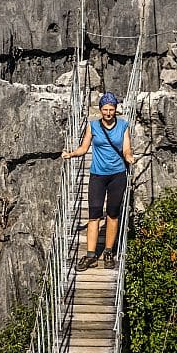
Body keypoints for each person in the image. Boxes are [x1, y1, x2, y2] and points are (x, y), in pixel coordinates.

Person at [61, 92, 135, 271]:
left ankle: (108, 252)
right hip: (97, 176)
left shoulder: (123, 125)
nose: (108, 113)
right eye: (105, 109)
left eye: (111, 109)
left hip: (117, 175)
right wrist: (71, 154)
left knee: (112, 214)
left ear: (116, 110)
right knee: (94, 215)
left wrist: (129, 156)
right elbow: (84, 147)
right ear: (100, 110)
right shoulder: (93, 126)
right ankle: (90, 255)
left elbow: (126, 148)